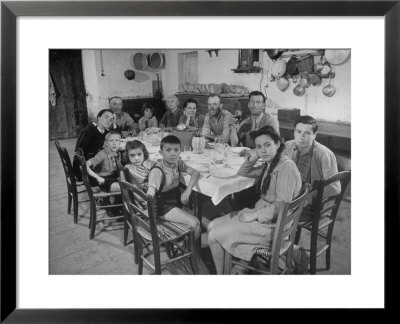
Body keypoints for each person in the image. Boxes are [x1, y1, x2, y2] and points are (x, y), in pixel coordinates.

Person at [207, 126, 302, 274]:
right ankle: (225, 270)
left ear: (277, 144)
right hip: (263, 215)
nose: (263, 150)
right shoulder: (270, 163)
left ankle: (221, 275)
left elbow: (281, 206)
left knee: (214, 235)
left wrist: (255, 215)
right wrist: (253, 157)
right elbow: (243, 173)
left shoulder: (286, 167)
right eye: (259, 147)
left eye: (267, 145)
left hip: (275, 226)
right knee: (211, 226)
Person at [147, 135, 201, 239]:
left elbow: (195, 173)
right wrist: (152, 222)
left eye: (176, 150)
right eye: (168, 150)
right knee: (196, 223)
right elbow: (150, 195)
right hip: (162, 207)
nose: (173, 153)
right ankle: (188, 250)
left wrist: (188, 190)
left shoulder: (177, 163)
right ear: (161, 152)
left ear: (180, 151)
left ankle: (184, 244)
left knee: (198, 215)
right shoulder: (157, 171)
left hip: (175, 201)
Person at [283, 115, 340, 204]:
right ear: (294, 132)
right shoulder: (288, 146)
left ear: (314, 135)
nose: (302, 137)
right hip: (287, 196)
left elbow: (334, 188)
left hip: (309, 202)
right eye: (299, 132)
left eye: (307, 133)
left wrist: (307, 199)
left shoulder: (324, 154)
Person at [72, 109, 114, 180]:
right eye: (106, 117)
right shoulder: (90, 130)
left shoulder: (104, 131)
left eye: (111, 119)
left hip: (92, 163)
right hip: (85, 168)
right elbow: (80, 150)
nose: (108, 121)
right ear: (99, 117)